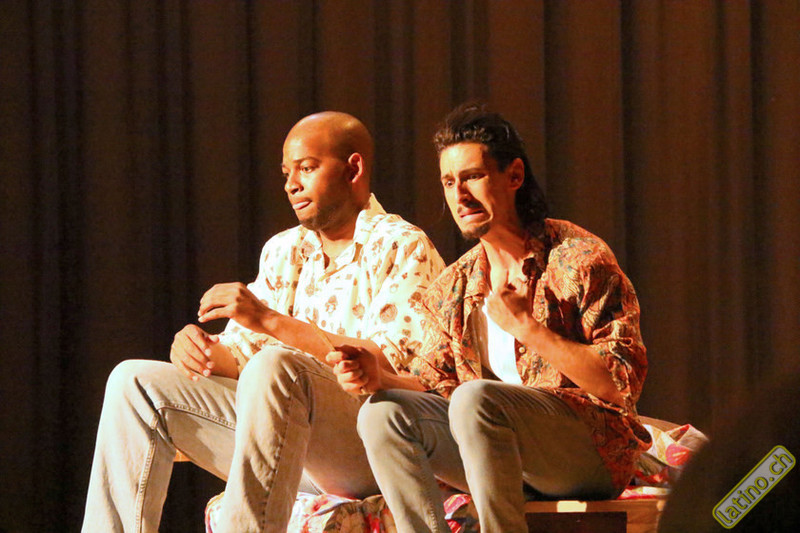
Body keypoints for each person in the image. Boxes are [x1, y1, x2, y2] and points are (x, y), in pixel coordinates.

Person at [82, 111, 445, 533]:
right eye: (287, 173)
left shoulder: (402, 244)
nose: (292, 185)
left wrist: (269, 321)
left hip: (366, 447)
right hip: (282, 446)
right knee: (133, 381)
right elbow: (239, 357)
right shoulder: (283, 250)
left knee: (277, 366)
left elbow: (386, 365)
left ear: (353, 169)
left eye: (307, 168)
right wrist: (198, 350)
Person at [329, 104, 652, 532]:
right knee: (382, 413)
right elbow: (436, 386)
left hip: (588, 454)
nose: (460, 195)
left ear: (514, 176)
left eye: (473, 177)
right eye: (449, 182)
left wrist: (528, 329)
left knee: (474, 398)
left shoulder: (577, 257)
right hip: (500, 458)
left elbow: (619, 383)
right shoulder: (454, 286)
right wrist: (381, 378)